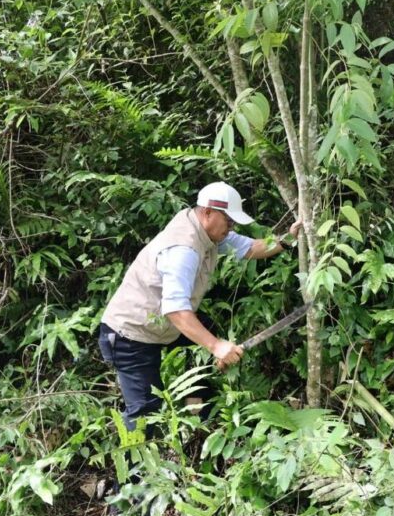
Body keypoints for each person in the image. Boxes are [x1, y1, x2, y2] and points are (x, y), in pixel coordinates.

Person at [97, 181, 301, 433]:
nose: (231, 228)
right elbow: (176, 309)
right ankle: (136, 471)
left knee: (205, 343)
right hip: (130, 334)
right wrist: (216, 346)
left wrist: (288, 240)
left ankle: (197, 424)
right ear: (208, 213)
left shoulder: (207, 233)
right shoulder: (183, 249)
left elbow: (249, 247)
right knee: (145, 412)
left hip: (162, 325)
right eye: (229, 221)